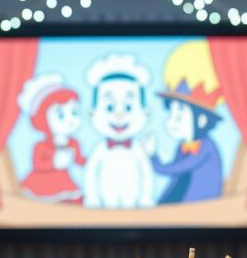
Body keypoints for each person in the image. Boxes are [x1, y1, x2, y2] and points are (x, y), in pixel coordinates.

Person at [146, 40, 224, 204]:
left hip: (201, 207)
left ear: (201, 120)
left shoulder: (206, 147)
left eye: (179, 116)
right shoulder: (182, 147)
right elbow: (176, 181)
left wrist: (154, 157)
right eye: (171, 115)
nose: (171, 122)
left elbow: (176, 169)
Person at [83, 54, 155, 209]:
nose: (119, 115)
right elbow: (91, 173)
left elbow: (146, 174)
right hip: (105, 204)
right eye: (109, 107)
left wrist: (146, 198)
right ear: (92, 114)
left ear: (145, 113)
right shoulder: (100, 149)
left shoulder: (137, 149)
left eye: (128, 107)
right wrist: (92, 198)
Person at [17, 73, 85, 204]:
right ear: (43, 119)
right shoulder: (41, 145)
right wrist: (55, 163)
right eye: (61, 115)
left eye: (74, 112)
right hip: (42, 184)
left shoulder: (73, 143)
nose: (70, 120)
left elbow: (80, 160)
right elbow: (38, 164)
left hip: (64, 182)